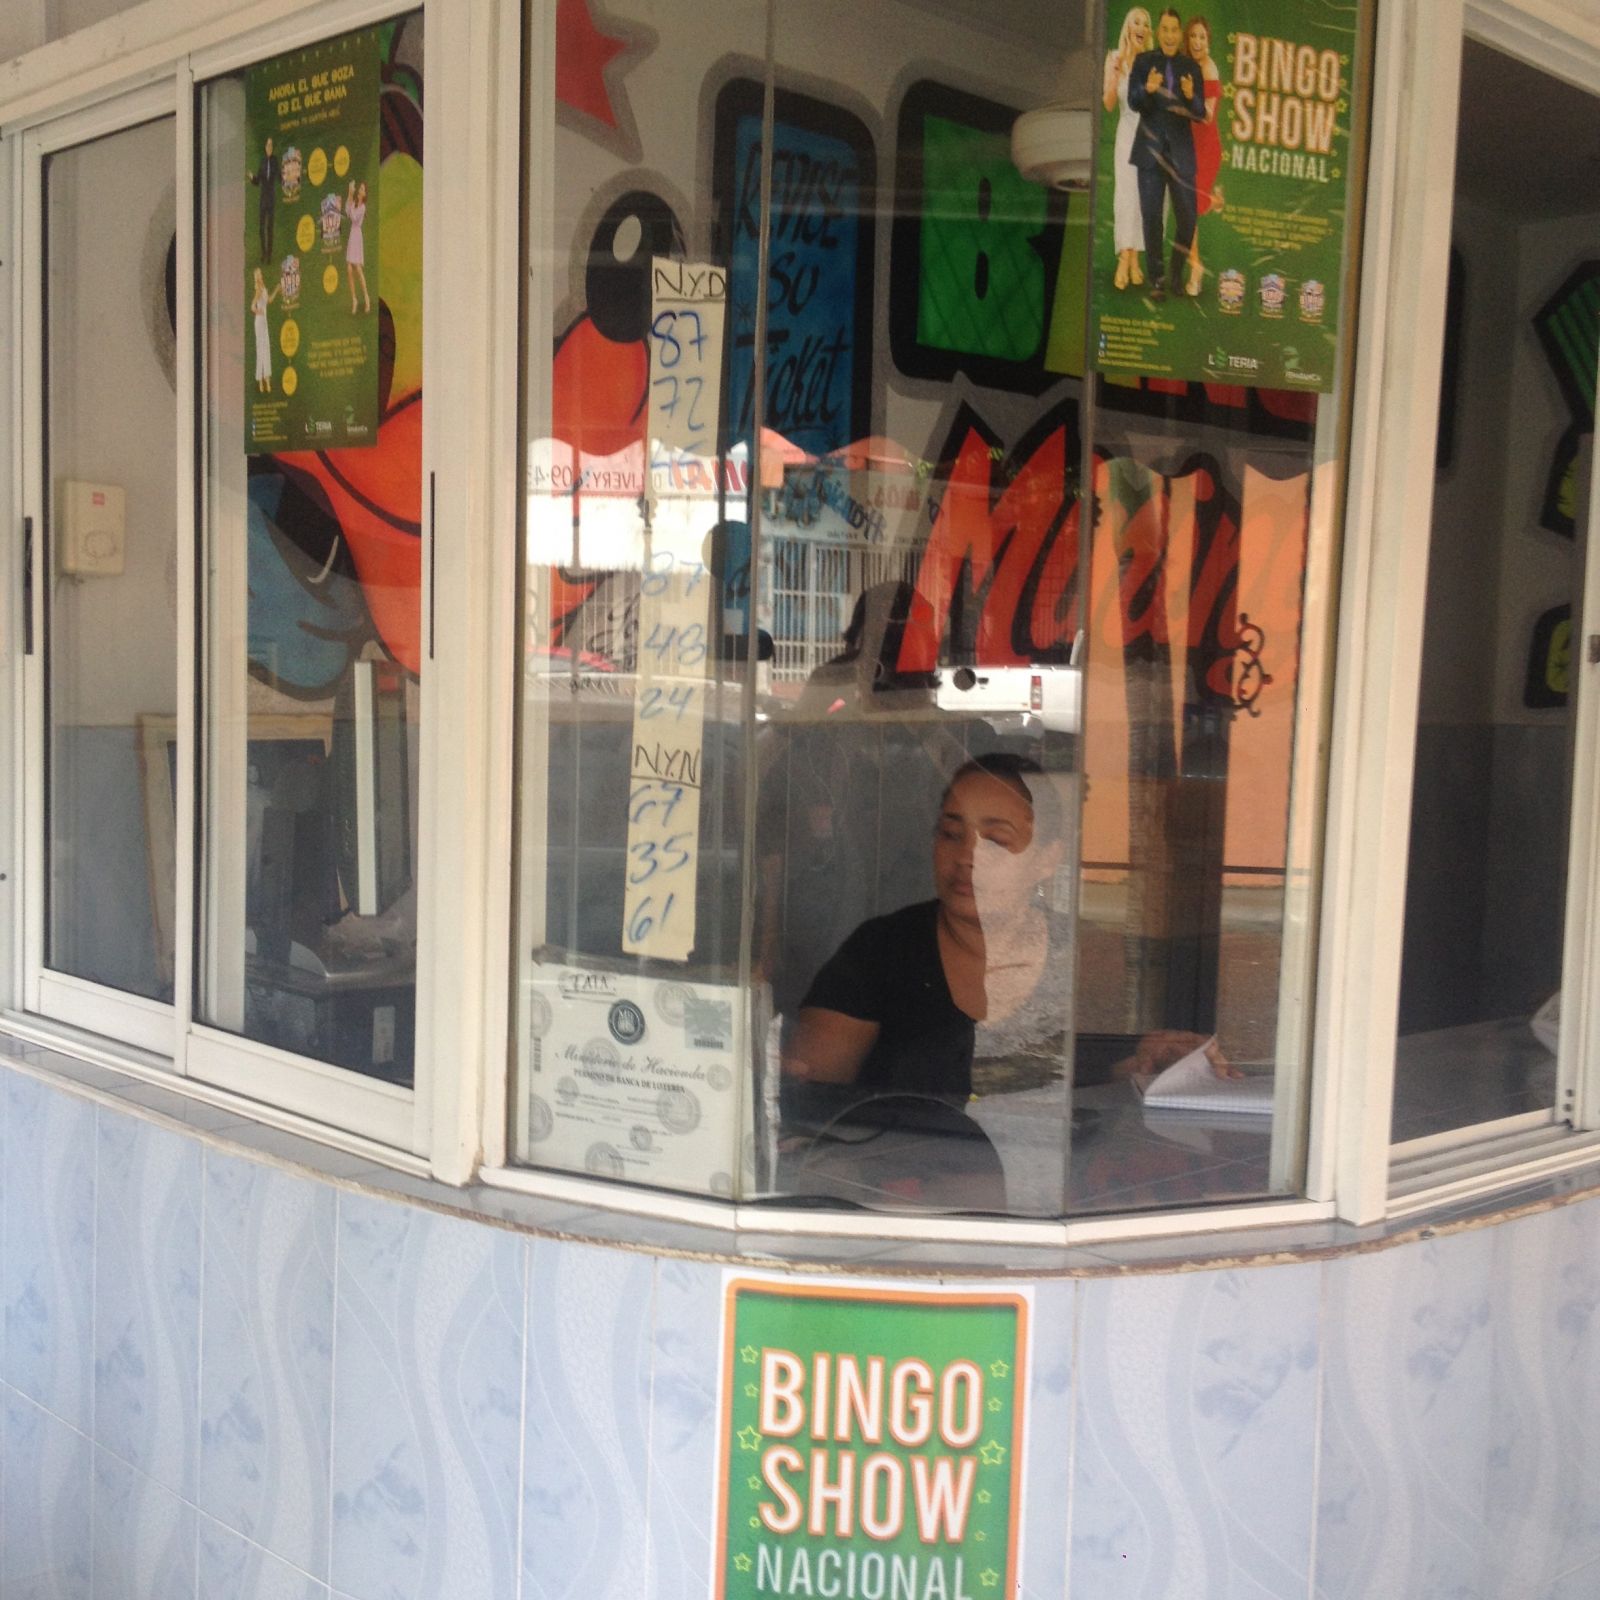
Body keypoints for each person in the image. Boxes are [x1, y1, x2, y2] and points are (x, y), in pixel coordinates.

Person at [783, 753, 1234, 1115]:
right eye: (951, 834)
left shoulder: (1081, 956)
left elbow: (1094, 1082)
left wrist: (1156, 1066)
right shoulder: (878, 952)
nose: (967, 857)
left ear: (1047, 859)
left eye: (996, 841)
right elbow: (811, 1099)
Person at [1127, 7, 1207, 301]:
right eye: (1165, 30)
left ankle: (1175, 274)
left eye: (1175, 30)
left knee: (1188, 219)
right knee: (1151, 218)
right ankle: (1158, 280)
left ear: (1179, 33)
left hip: (1181, 155)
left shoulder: (1191, 67)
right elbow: (1133, 101)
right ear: (1158, 32)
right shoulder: (1144, 61)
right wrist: (1147, 88)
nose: (1170, 35)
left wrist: (1190, 95)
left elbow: (1200, 112)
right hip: (1149, 154)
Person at [1103, 7, 1154, 291]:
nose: (1141, 28)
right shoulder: (1114, 58)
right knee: (1125, 195)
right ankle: (1124, 258)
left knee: (1142, 198)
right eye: (1137, 22)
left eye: (1145, 24)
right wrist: (1113, 76)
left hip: (1147, 136)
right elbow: (1109, 103)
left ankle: (1135, 260)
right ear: (1128, 27)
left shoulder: (1151, 63)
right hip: (1125, 135)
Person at [1185, 15, 1224, 297]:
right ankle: (1217, 200)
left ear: (1208, 41)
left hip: (1206, 149)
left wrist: (1189, 97)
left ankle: (1195, 268)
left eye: (1202, 37)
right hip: (1187, 145)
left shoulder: (1209, 69)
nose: (1197, 42)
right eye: (1193, 36)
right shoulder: (1187, 65)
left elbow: (1207, 116)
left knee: (1189, 208)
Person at [247, 135, 278, 264]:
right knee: (261, 228)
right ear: (265, 148)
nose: (269, 148)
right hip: (263, 199)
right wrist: (251, 177)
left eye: (271, 145)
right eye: (267, 145)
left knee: (270, 228)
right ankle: (263, 253)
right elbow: (257, 181)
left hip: (271, 198)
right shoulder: (262, 162)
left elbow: (280, 176)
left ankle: (269, 255)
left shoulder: (275, 161)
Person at [250, 266, 280, 394]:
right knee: (261, 349)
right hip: (259, 322)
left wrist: (277, 289)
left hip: (264, 322)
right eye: (258, 275)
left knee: (266, 348)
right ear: (256, 277)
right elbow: (252, 306)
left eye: (260, 274)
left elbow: (269, 300)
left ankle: (267, 378)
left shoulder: (263, 287)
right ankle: (260, 380)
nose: (260, 276)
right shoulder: (258, 289)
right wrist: (259, 311)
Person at [345, 179, 370, 315]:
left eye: (362, 189)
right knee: (349, 269)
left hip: (357, 236)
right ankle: (354, 299)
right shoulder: (354, 203)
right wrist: (349, 195)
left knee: (358, 269)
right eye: (359, 189)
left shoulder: (363, 207)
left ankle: (366, 297)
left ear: (364, 194)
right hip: (352, 235)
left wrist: (350, 195)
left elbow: (353, 217)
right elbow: (346, 210)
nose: (359, 191)